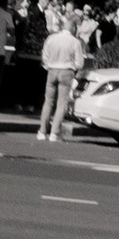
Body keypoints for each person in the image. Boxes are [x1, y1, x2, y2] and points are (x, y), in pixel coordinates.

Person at [38, 9, 85, 141]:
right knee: (61, 104)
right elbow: (79, 63)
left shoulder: (51, 38)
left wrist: (48, 65)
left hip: (52, 70)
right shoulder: (75, 42)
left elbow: (44, 56)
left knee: (48, 102)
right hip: (66, 71)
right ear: (73, 29)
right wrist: (73, 67)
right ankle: (54, 133)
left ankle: (42, 131)